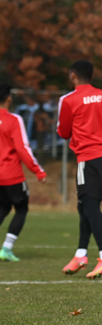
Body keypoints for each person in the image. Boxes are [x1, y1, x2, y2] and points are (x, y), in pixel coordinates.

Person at [58, 61, 102, 279]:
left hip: (88, 160)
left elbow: (63, 132)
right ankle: (80, 254)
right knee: (85, 205)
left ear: (72, 75)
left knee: (89, 206)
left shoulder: (69, 100)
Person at [0, 84, 47, 261]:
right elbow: (22, 148)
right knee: (21, 209)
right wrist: (38, 171)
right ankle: (6, 248)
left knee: (3, 207)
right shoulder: (13, 119)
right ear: (9, 99)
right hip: (11, 176)